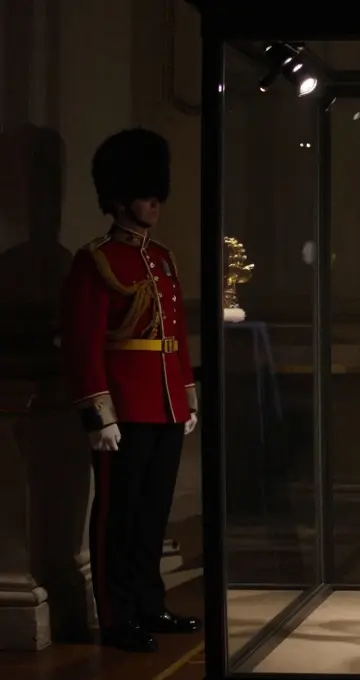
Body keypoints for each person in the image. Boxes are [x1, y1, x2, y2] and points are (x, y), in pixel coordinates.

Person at [60, 128, 202, 652]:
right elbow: (82, 344)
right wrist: (100, 414)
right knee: (116, 517)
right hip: (124, 405)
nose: (155, 204)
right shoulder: (95, 260)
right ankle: (117, 616)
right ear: (119, 198)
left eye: (156, 194)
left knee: (151, 514)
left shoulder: (161, 258)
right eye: (146, 195)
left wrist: (185, 394)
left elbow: (176, 336)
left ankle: (149, 603)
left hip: (163, 405)